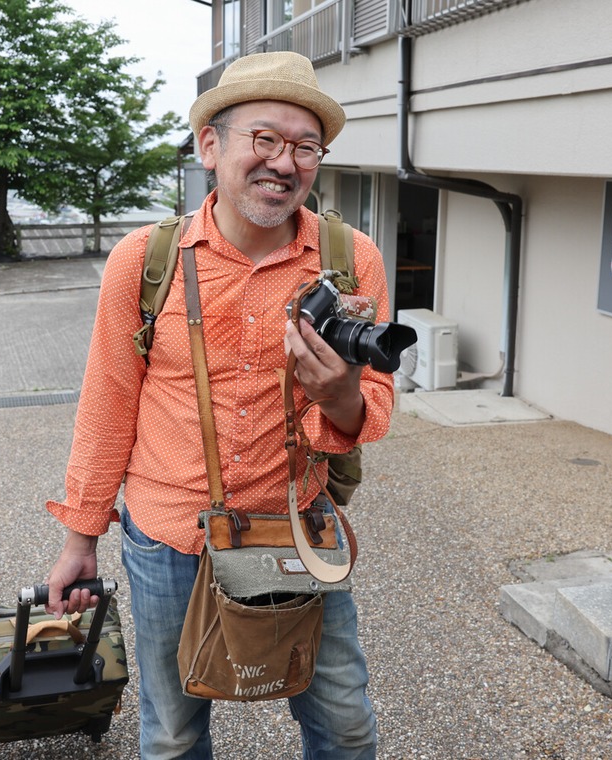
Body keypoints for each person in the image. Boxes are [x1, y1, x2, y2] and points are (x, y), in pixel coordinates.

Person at [43, 51, 393, 759]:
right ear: (211, 146)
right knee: (172, 734)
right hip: (170, 534)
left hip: (298, 524)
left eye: (304, 147)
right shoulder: (145, 260)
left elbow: (370, 414)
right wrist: (80, 540)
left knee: (344, 722)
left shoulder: (352, 259)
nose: (283, 163)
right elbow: (108, 406)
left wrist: (340, 395)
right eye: (264, 139)